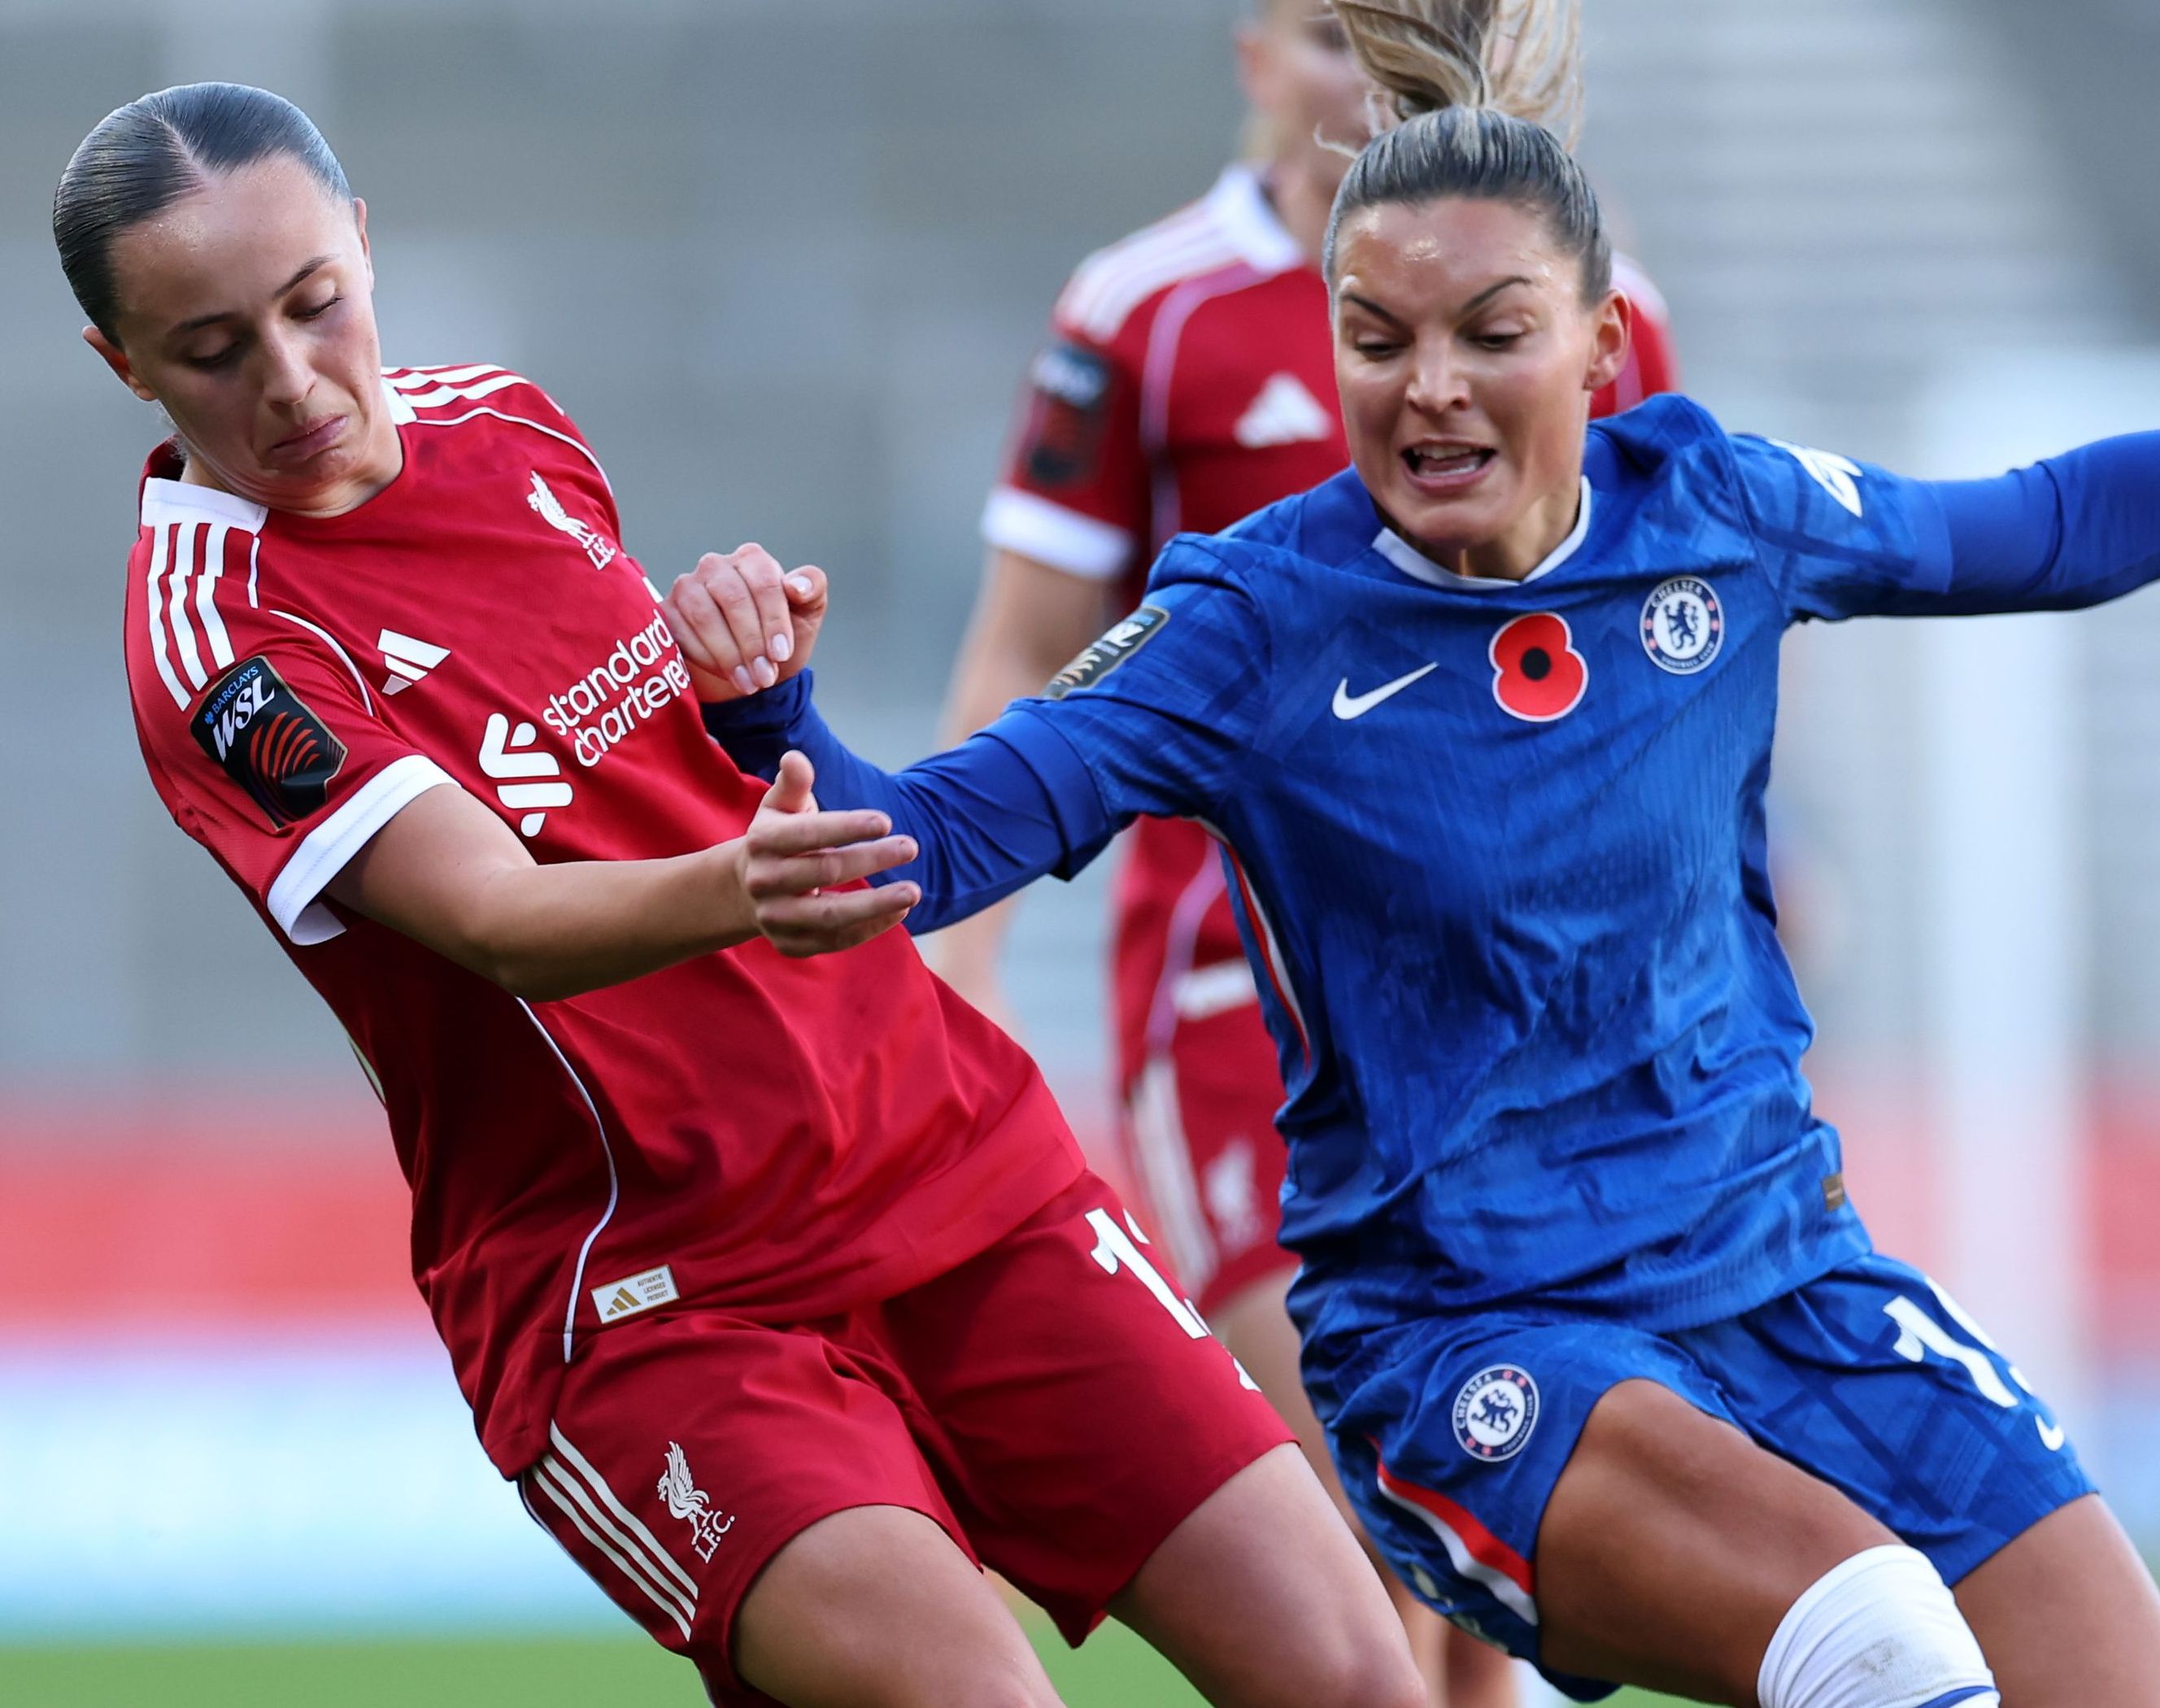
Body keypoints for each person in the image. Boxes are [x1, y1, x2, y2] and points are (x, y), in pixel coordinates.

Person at [671, 1, 2160, 1701]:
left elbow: (2053, 523)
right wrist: (773, 720)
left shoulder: (1721, 511)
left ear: (1604, 349)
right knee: (1875, 1644)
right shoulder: (1250, 623)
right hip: (1473, 1345)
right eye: (1376, 338)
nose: (1424, 385)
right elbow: (921, 845)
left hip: (1786, 1282)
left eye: (1486, 332)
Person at [67, 82, 1419, 1708]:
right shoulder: (217, 643)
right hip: (654, 1297)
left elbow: (650, 764)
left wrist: (747, 688)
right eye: (213, 351)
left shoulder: (506, 424)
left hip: (938, 1150)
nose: (289, 380)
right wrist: (747, 884)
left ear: (361, 244)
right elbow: (496, 916)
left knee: (1355, 1673)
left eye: (311, 304)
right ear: (122, 365)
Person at [934, 5, 1673, 1700]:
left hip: (1512, 1001)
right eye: (1340, 29)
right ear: (1256, 44)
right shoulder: (1147, 311)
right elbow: (1025, 645)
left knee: (1494, 1571)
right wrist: (960, 962)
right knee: (1350, 1537)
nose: (1369, 72)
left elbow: (1674, 637)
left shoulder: (1592, 297)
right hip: (1232, 989)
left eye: (1421, 26)